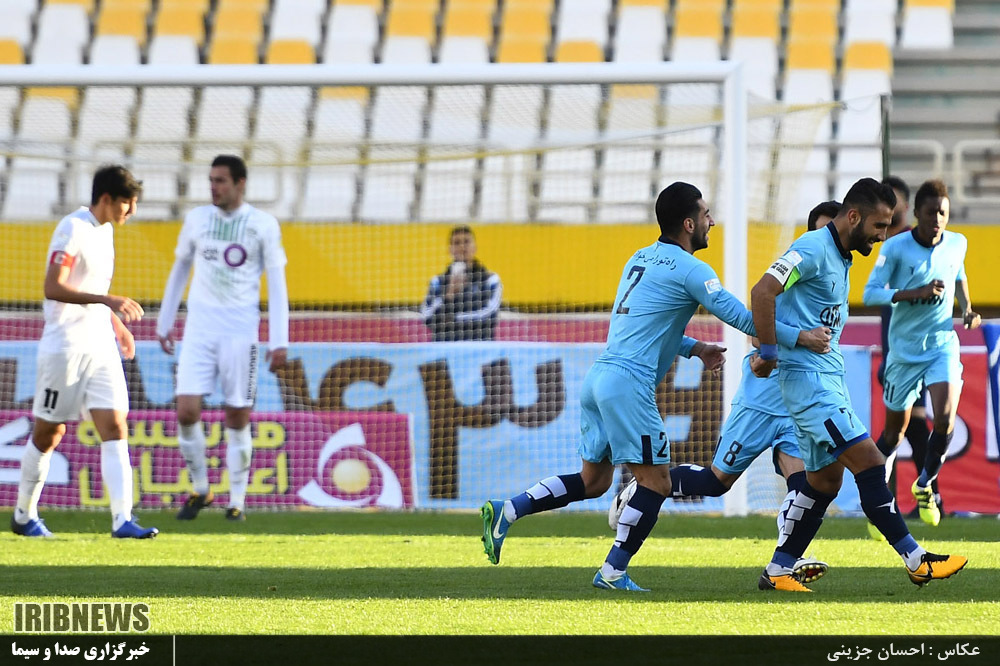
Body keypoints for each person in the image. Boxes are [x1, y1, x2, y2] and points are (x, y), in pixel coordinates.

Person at [480, 182, 831, 591]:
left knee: (593, 482)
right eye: (705, 214)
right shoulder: (693, 270)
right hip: (629, 386)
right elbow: (741, 316)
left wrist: (696, 348)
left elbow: (647, 327)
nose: (712, 221)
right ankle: (612, 572)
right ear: (688, 224)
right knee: (657, 483)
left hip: (600, 377)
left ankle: (508, 510)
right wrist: (800, 337)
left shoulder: (640, 257)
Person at [607, 200, 847, 586]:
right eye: (823, 230)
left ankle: (786, 560)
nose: (831, 239)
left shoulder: (835, 281)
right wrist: (786, 345)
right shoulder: (788, 277)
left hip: (800, 404)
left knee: (806, 482)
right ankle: (644, 485)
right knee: (717, 482)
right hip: (760, 400)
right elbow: (756, 330)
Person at [750, 177, 967, 592]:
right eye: (879, 225)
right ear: (853, 216)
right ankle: (916, 560)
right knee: (869, 461)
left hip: (826, 381)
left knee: (825, 481)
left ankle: (778, 569)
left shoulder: (841, 255)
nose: (883, 235)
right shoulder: (812, 248)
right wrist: (772, 351)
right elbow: (762, 292)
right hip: (809, 386)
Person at [11, 165, 157, 539]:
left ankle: (123, 520)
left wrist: (116, 324)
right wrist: (107, 301)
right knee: (50, 432)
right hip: (66, 347)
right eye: (127, 202)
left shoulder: (106, 231)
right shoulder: (72, 228)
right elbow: (53, 287)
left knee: (115, 425)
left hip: (100, 345)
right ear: (106, 198)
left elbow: (93, 288)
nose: (132, 211)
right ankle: (24, 515)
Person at [157, 155, 289, 522]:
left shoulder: (263, 225)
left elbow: (277, 283)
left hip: (240, 333)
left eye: (221, 181)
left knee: (237, 415)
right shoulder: (197, 219)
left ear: (240, 183)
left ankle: (237, 501)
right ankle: (201, 489)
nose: (213, 187)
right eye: (211, 180)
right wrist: (165, 321)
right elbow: (180, 267)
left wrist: (279, 339)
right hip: (198, 331)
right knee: (186, 411)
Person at [863, 179, 979, 529]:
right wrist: (913, 293)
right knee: (893, 434)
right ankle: (877, 501)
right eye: (931, 213)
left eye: (943, 213)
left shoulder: (958, 243)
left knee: (944, 418)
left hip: (942, 345)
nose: (938, 220)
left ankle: (925, 485)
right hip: (904, 352)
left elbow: (959, 272)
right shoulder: (896, 248)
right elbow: (870, 294)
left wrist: (967, 308)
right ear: (916, 213)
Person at [869, 176, 935, 534]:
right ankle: (890, 498)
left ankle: (884, 497)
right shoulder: (882, 245)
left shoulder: (917, 244)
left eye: (893, 203)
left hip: (917, 351)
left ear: (906, 207)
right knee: (903, 428)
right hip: (894, 352)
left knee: (909, 426)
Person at [419, 225, 502, 342]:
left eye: (466, 241)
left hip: (479, 347)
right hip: (444, 347)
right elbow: (426, 316)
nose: (462, 247)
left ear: (475, 247)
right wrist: (449, 295)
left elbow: (489, 316)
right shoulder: (437, 282)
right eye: (457, 243)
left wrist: (450, 318)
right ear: (450, 249)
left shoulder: (490, 279)